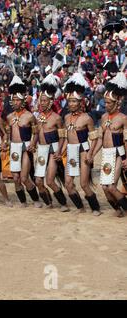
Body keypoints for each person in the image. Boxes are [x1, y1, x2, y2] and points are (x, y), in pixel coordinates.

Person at [62, 72, 101, 215]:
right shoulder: (66, 118)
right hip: (71, 150)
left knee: (84, 184)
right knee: (68, 183)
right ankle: (80, 207)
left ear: (80, 102)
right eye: (70, 101)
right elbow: (66, 137)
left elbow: (95, 138)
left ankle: (95, 208)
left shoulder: (87, 118)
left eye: (74, 101)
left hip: (83, 150)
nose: (71, 103)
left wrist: (91, 154)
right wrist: (61, 151)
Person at [90, 72, 127, 217]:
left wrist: (126, 158)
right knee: (105, 188)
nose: (105, 105)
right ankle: (118, 210)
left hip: (118, 154)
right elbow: (100, 137)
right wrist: (92, 153)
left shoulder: (123, 118)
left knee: (111, 186)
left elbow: (126, 140)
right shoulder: (104, 117)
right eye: (105, 102)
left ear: (117, 102)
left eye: (108, 103)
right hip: (106, 154)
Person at [34, 75, 70, 212]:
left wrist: (59, 151)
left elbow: (63, 136)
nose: (42, 103)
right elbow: (37, 133)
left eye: (44, 101)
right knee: (38, 181)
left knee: (49, 181)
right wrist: (33, 143)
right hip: (42, 150)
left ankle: (63, 203)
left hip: (53, 150)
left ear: (50, 101)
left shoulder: (57, 118)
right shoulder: (38, 118)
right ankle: (48, 201)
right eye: (40, 100)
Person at [6, 75, 42, 208]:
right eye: (13, 100)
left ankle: (36, 200)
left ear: (22, 101)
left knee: (24, 178)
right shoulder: (9, 117)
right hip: (14, 148)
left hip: (26, 148)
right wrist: (5, 142)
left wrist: (33, 143)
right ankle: (23, 201)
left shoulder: (29, 116)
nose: (15, 102)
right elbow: (8, 133)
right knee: (15, 178)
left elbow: (36, 131)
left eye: (17, 100)